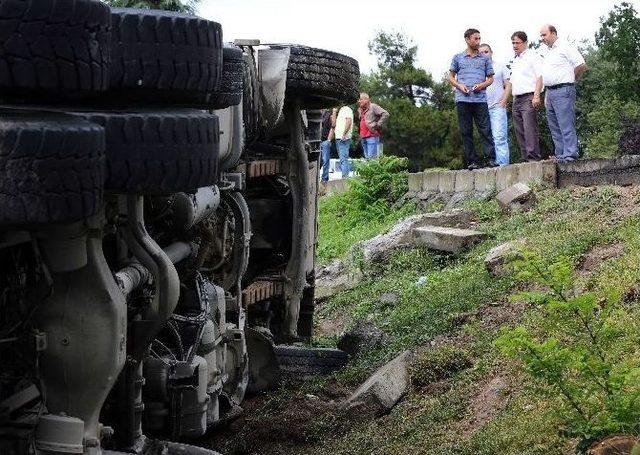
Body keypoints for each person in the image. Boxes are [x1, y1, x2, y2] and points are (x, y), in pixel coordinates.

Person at [448, 28, 497, 170]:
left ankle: (490, 159)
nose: (478, 41)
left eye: (479, 38)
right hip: (463, 100)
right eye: (475, 38)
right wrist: (459, 85)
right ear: (467, 39)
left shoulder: (485, 59)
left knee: (485, 130)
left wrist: (481, 85)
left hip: (480, 100)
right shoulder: (457, 58)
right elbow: (450, 77)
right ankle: (472, 161)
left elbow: (490, 79)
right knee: (466, 131)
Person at [540, 24, 587, 162]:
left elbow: (581, 65)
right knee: (554, 127)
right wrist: (546, 94)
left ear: (553, 33)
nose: (542, 38)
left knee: (565, 124)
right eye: (541, 35)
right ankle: (560, 155)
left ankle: (570, 155)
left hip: (564, 89)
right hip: (550, 91)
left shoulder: (565, 46)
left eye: (544, 35)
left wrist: (572, 80)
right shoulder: (545, 51)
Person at [509, 31, 543, 162]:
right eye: (513, 43)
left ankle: (533, 157)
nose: (515, 45)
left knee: (529, 128)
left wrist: (536, 96)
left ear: (525, 43)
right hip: (516, 98)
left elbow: (540, 76)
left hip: (529, 97)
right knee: (519, 130)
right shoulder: (516, 60)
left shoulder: (533, 56)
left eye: (517, 43)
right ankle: (525, 158)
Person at [479, 43, 511, 166]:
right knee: (488, 138)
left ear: (491, 52)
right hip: (482, 109)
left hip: (497, 107)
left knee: (499, 137)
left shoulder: (500, 67)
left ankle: (502, 166)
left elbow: (508, 85)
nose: (484, 54)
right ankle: (492, 164)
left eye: (486, 51)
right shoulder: (478, 70)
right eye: (481, 52)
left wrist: (504, 101)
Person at [358, 93, 389, 159]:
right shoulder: (360, 109)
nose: (359, 101)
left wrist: (378, 124)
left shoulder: (373, 106)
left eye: (360, 99)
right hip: (363, 137)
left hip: (372, 136)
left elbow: (385, 114)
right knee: (367, 159)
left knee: (372, 159)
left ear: (366, 99)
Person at [334, 104, 353, 178]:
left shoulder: (346, 109)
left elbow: (349, 120)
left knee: (343, 158)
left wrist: (344, 134)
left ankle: (345, 177)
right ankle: (345, 177)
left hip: (343, 138)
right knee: (343, 158)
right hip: (339, 137)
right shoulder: (341, 110)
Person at [320, 108, 336, 182]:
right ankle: (317, 177)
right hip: (318, 140)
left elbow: (333, 126)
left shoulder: (329, 114)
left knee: (325, 160)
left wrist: (329, 140)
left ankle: (325, 178)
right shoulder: (318, 113)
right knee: (319, 161)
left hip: (325, 140)